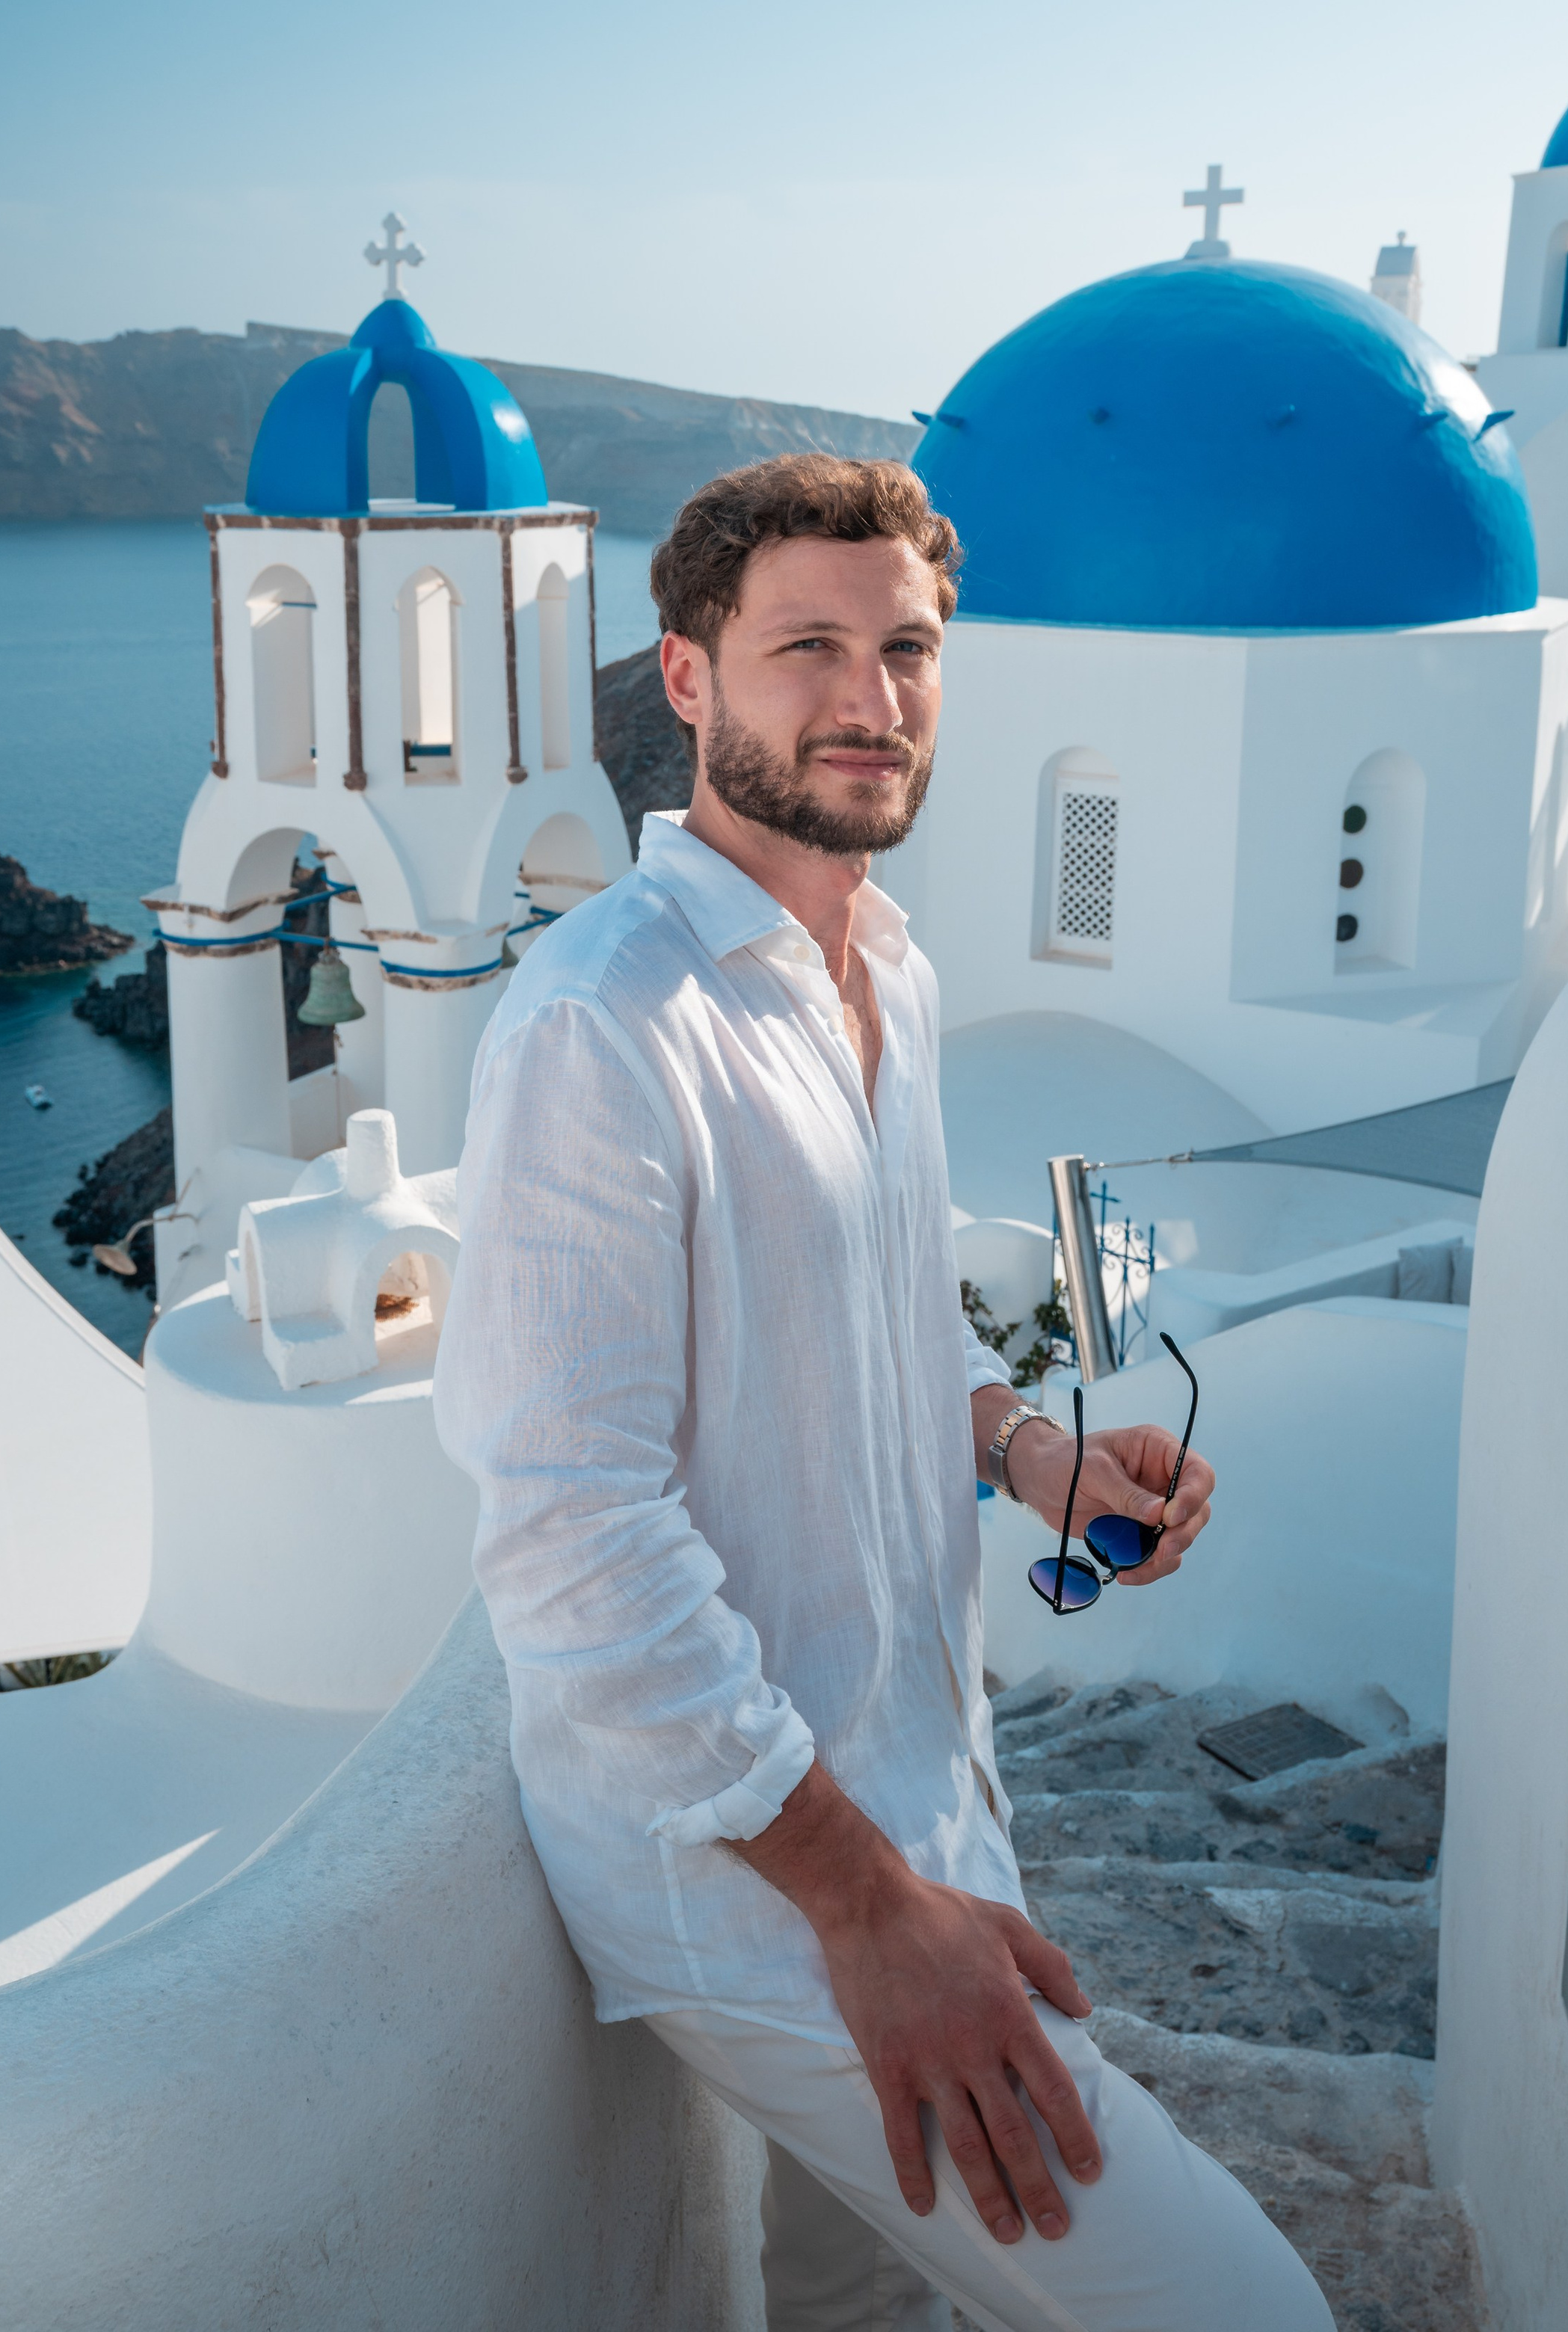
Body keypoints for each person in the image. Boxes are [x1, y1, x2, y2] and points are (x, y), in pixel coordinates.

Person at [434, 455, 1331, 2332]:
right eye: (808, 649)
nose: (870, 698)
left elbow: (872, 1304)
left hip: (927, 1782)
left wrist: (1023, 1448)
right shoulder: (604, 1026)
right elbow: (566, 1535)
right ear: (686, 681)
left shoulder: (881, 968)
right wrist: (860, 1905)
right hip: (754, 1867)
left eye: (907, 649)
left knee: (869, 2303)